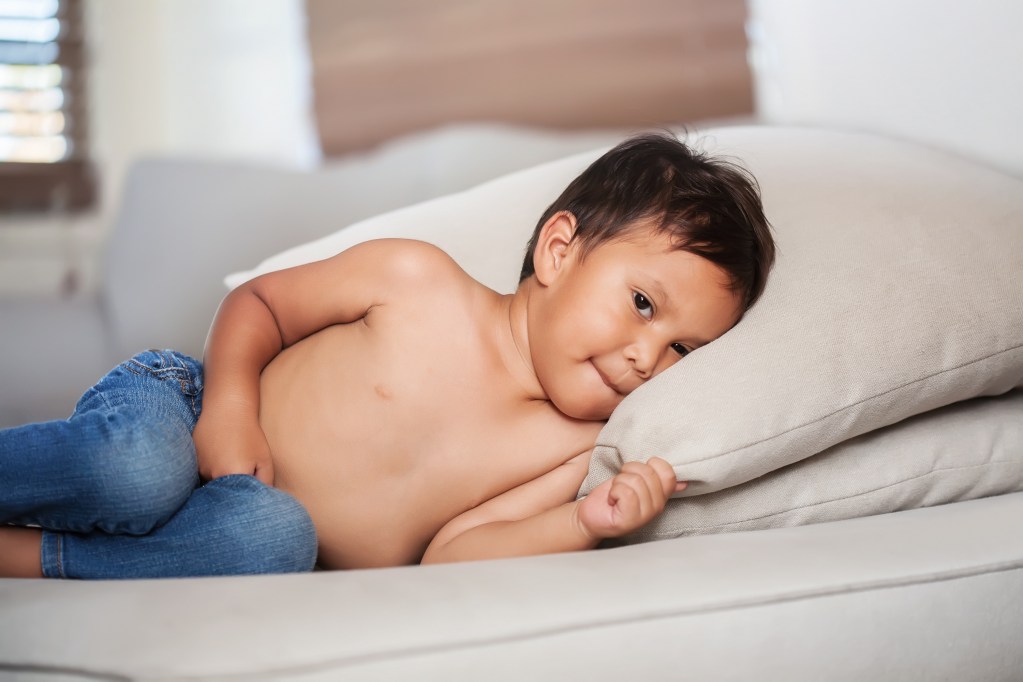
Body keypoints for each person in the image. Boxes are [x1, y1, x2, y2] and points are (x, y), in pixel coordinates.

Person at [0, 132, 775, 579]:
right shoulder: (417, 280)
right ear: (559, 250)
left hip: (243, 517)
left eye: (681, 348)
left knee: (274, 539)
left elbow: (455, 553)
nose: (647, 357)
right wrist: (231, 404)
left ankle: (29, 559)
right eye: (642, 305)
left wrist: (588, 521)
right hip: (190, 407)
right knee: (139, 468)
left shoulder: (573, 448)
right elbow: (259, 303)